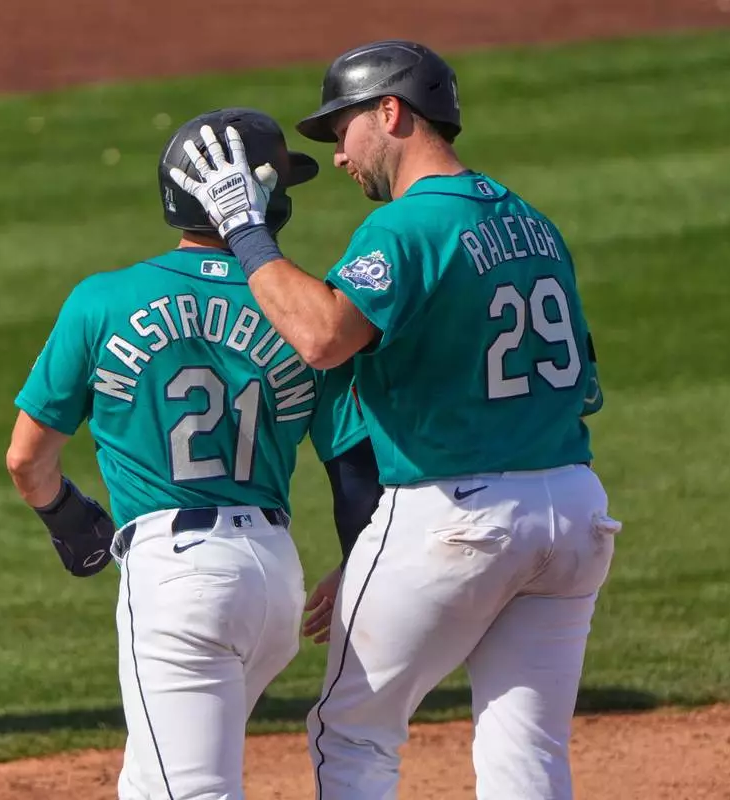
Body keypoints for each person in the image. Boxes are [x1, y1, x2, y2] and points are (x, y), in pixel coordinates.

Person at [166, 39, 618, 800]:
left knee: (352, 730)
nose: (340, 156)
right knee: (527, 744)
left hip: (457, 514)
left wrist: (246, 230)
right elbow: (586, 384)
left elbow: (321, 338)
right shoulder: (534, 223)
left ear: (390, 112)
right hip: (574, 512)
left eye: (342, 130)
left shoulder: (406, 227)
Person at [5, 107, 381, 800]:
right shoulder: (307, 314)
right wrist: (359, 562)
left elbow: (26, 460)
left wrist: (67, 517)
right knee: (151, 783)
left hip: (178, 581)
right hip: (273, 580)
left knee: (189, 789)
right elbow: (353, 466)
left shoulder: (102, 301)